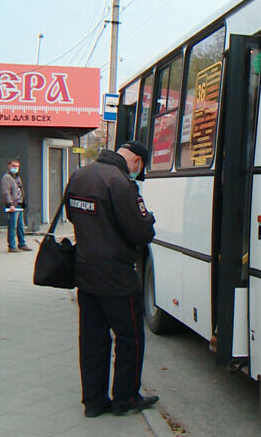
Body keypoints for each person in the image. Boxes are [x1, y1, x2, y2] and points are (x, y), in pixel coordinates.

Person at [65, 140, 158, 418]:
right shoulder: (120, 183)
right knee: (130, 338)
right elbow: (141, 232)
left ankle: (93, 402)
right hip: (117, 278)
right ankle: (125, 398)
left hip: (85, 274)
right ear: (137, 161)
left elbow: (72, 215)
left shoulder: (79, 175)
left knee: (92, 340)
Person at [1, 159, 32, 253]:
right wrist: (10, 204)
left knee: (20, 226)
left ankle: (22, 243)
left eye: (17, 166)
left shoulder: (17, 177)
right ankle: (12, 245)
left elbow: (20, 190)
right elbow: (6, 192)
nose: (15, 168)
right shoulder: (6, 177)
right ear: (9, 166)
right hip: (13, 205)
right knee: (12, 225)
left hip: (19, 204)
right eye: (13, 166)